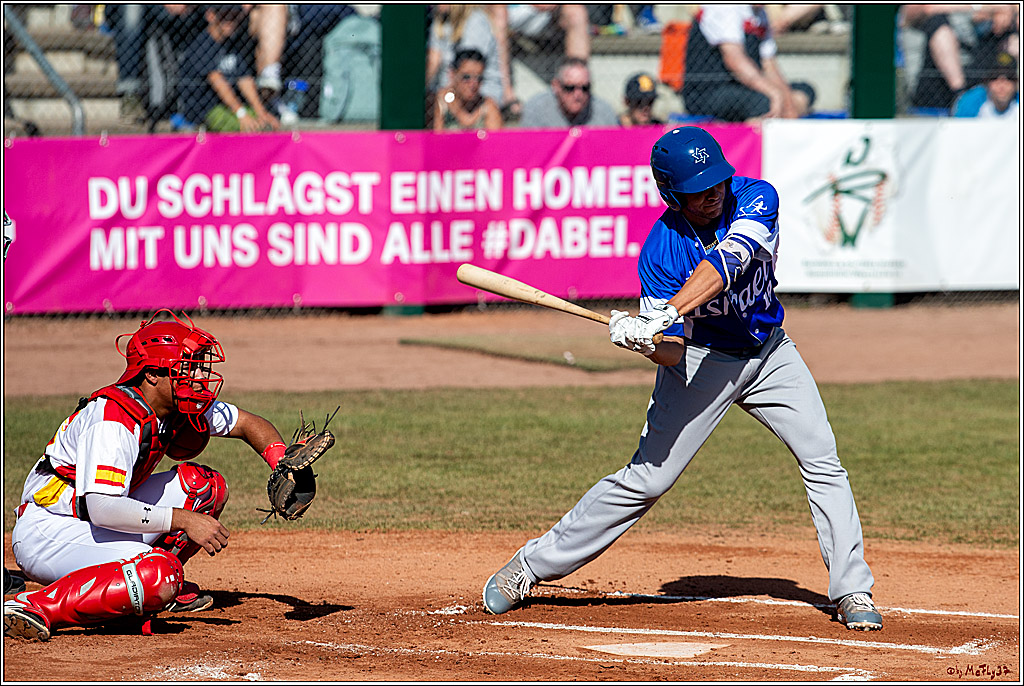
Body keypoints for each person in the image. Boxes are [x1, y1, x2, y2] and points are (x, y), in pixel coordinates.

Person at [482, 126, 884, 633]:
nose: (713, 193)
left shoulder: (756, 197)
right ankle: (530, 565)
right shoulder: (660, 252)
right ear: (671, 194)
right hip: (701, 361)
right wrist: (645, 340)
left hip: (769, 352)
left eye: (717, 181)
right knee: (648, 479)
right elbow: (671, 352)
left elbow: (729, 260)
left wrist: (666, 311)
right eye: (699, 188)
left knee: (821, 457)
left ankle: (852, 588)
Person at [3, 309, 297, 641]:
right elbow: (102, 507)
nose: (200, 376)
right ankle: (33, 606)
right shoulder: (114, 418)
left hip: (93, 517)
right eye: (188, 367)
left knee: (205, 487)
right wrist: (183, 520)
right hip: (49, 530)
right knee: (158, 573)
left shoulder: (176, 403)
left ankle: (146, 589)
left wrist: (284, 467)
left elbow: (248, 424)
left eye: (200, 366)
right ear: (153, 374)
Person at [682, 4, 816, 123]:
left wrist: (787, 101)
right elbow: (735, 61)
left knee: (803, 92)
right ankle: (752, 138)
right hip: (710, 91)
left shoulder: (761, 14)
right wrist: (773, 93)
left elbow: (769, 65)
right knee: (765, 104)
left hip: (743, 87)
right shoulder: (723, 7)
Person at [177, 4, 280, 133]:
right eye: (225, 15)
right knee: (250, 128)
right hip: (206, 111)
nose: (231, 21)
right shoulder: (201, 45)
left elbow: (244, 79)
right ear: (211, 16)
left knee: (266, 124)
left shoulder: (232, 43)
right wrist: (241, 114)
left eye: (234, 15)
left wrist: (261, 113)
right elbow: (218, 82)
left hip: (230, 107)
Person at [903, 4, 1019, 112]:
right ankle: (961, 98)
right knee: (940, 29)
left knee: (1015, 38)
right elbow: (927, 8)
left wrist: (1007, 12)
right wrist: (989, 8)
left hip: (978, 62)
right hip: (933, 78)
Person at [427, 5, 512, 115]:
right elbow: (433, 61)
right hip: (451, 88)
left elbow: (471, 70)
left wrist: (443, 94)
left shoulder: (476, 22)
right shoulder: (441, 21)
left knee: (439, 102)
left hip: (479, 89)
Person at [519, 56, 618, 128]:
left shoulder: (604, 113)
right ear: (556, 86)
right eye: (570, 88)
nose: (578, 94)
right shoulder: (536, 109)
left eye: (585, 88)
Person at [434, 49, 503, 131]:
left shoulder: (487, 106)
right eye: (466, 77)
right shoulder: (441, 102)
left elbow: (495, 136)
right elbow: (436, 136)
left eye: (479, 78)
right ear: (452, 74)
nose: (473, 84)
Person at [953, 50, 1019, 117]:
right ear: (986, 81)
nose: (1002, 84)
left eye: (1009, 77)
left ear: (1016, 81)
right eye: (994, 77)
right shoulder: (971, 101)